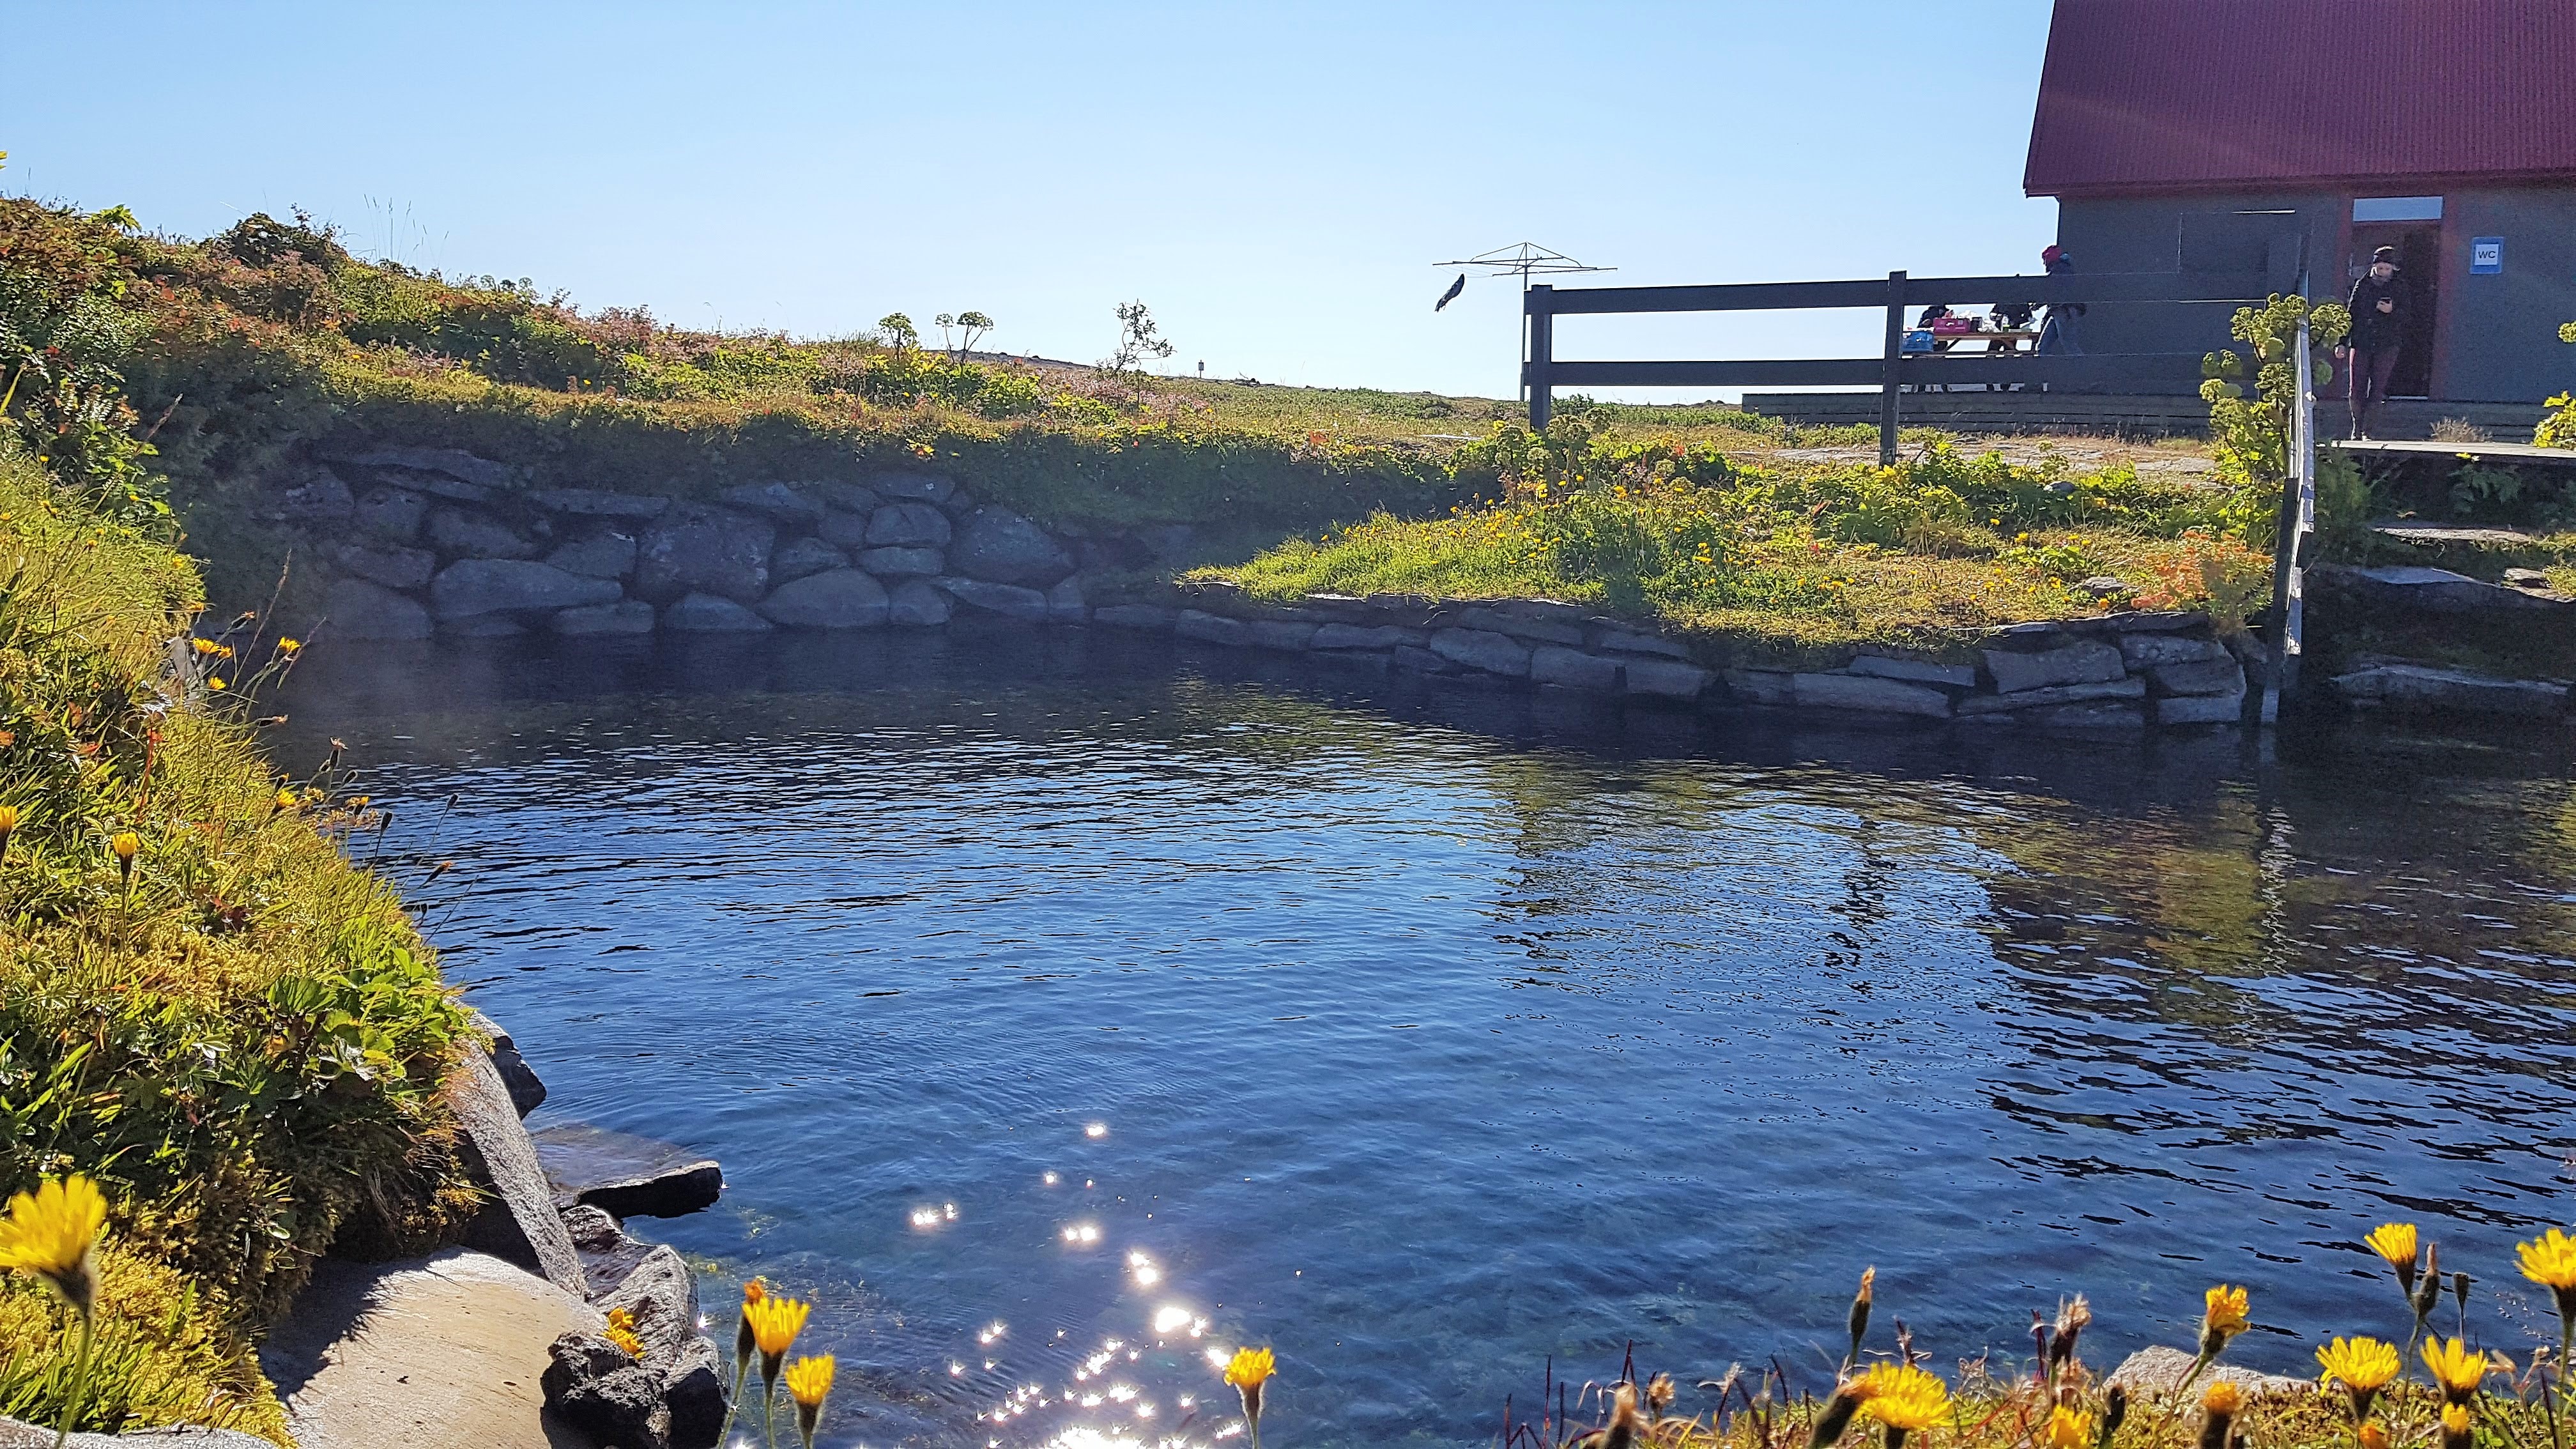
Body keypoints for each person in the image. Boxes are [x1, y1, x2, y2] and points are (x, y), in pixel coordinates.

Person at [2342, 246, 2405, 440]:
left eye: (2387, 269)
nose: (2384, 272)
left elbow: (2408, 315)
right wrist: (2342, 342)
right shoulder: (2363, 285)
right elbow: (2350, 313)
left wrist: (2392, 311)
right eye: (2380, 268)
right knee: (2356, 386)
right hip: (2362, 341)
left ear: (2393, 269)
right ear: (2374, 267)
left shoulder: (2400, 286)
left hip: (2387, 343)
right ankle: (2356, 427)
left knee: (2378, 386)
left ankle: (2369, 430)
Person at [2035, 245, 2085, 356]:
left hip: (2063, 310)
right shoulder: (2065, 269)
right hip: (2059, 311)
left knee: (2067, 344)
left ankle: (2083, 370)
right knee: (2044, 347)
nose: (2044, 263)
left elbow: (2053, 290)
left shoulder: (2059, 269)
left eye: (2044, 259)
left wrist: (2038, 303)